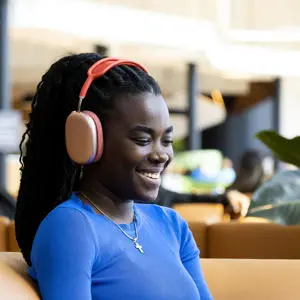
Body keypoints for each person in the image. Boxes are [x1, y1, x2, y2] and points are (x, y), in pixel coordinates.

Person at [15, 53, 212, 300]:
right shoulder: (71, 226)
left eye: (167, 140)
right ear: (87, 141)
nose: (161, 155)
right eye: (143, 140)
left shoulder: (172, 225)